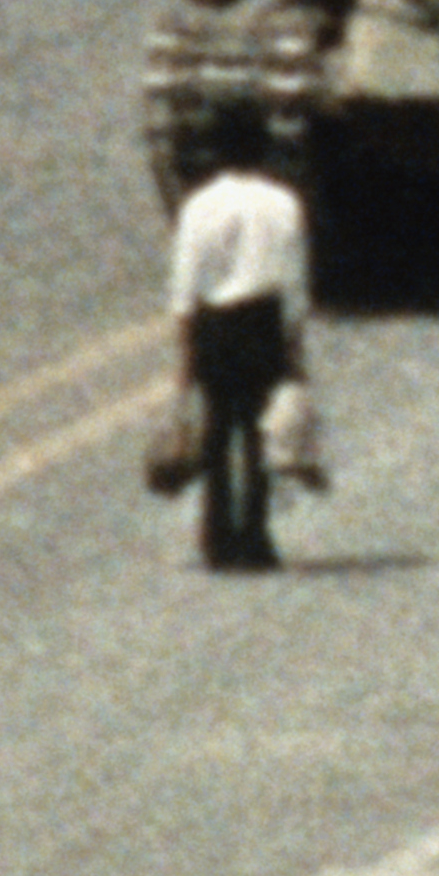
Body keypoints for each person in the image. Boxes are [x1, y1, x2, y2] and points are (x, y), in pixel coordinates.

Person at [162, 125, 312, 572]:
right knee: (258, 430)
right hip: (262, 321)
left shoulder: (199, 205)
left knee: (216, 428)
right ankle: (256, 535)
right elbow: (294, 279)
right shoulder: (284, 203)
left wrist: (185, 356)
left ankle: (216, 534)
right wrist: (294, 346)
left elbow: (185, 284)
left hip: (215, 323)